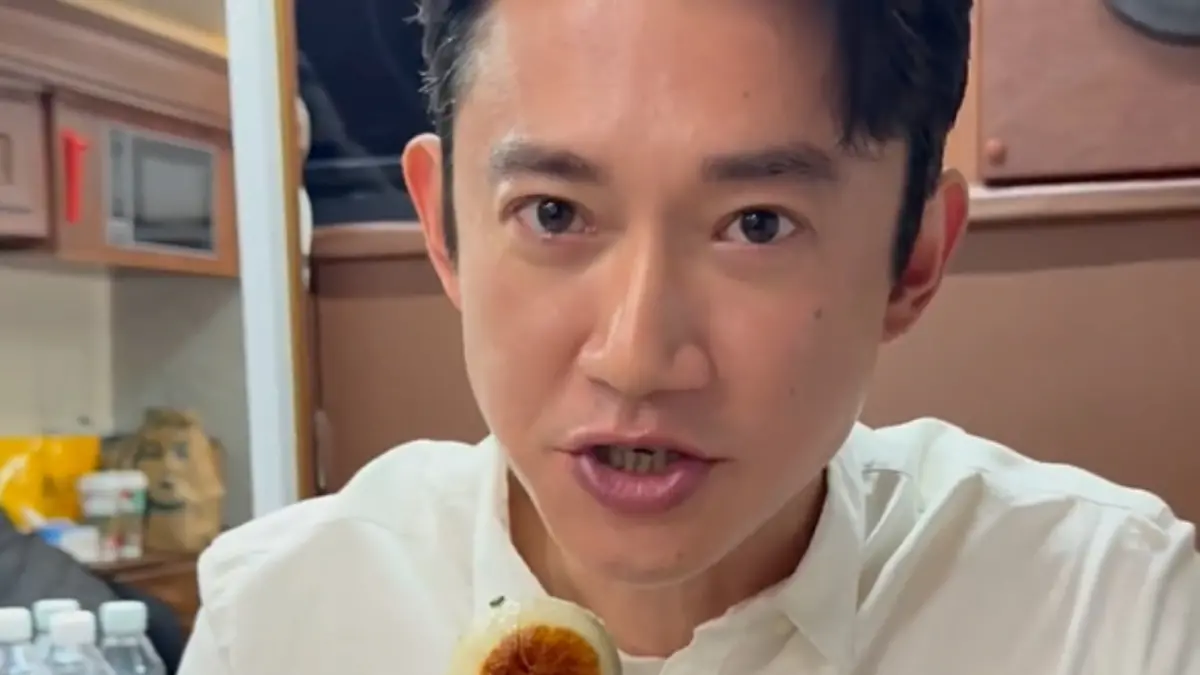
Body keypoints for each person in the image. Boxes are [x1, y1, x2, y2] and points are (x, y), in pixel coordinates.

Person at [180, 0, 1200, 672]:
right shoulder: (284, 623)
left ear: (915, 258)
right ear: (444, 227)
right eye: (553, 213)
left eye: (756, 224)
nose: (634, 357)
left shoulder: (1105, 618)